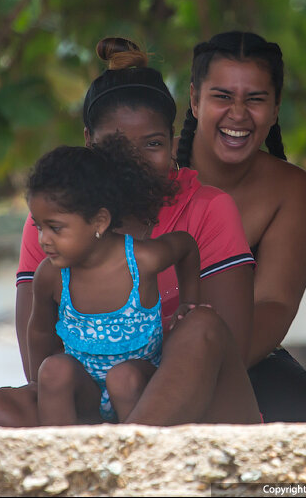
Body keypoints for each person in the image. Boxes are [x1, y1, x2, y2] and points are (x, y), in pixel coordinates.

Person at [0, 37, 261, 426]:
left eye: (152, 144)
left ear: (172, 144)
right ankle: (101, 457)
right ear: (88, 142)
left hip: (201, 406)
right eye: (116, 146)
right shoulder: (56, 229)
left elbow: (226, 349)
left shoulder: (208, 208)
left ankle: (124, 463)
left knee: (200, 325)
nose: (133, 163)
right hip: (95, 405)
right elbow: (40, 365)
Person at [176, 30, 306, 422]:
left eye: (255, 99)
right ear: (194, 100)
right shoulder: (154, 172)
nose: (238, 113)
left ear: (275, 108)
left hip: (245, 357)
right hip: (135, 354)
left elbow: (273, 304)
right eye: (222, 96)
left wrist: (208, 366)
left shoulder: (290, 188)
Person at [26, 135, 203, 425]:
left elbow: (186, 246)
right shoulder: (51, 275)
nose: (43, 240)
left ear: (99, 222)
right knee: (53, 371)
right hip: (85, 394)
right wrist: (37, 384)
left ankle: (138, 458)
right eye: (38, 227)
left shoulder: (141, 261)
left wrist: (189, 302)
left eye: (55, 228)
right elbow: (39, 333)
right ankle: (65, 462)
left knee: (123, 378)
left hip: (140, 388)